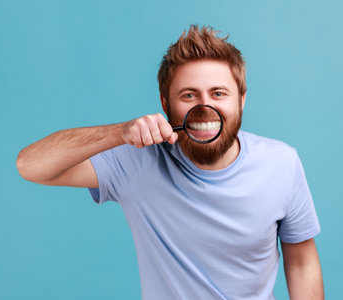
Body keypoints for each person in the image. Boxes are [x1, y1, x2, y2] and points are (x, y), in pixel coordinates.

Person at [16, 24, 324, 300]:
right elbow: (29, 165)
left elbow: (301, 261)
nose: (205, 106)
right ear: (166, 104)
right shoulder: (135, 160)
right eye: (189, 96)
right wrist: (119, 133)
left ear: (241, 100)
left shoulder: (282, 163)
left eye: (218, 93)